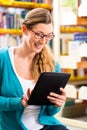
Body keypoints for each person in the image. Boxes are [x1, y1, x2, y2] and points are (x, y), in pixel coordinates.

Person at [0, 8, 69, 130]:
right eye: (39, 34)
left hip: (46, 125)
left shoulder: (52, 64)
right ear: (24, 29)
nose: (43, 41)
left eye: (48, 36)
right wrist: (19, 102)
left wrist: (56, 104)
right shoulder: (3, 59)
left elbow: (49, 112)